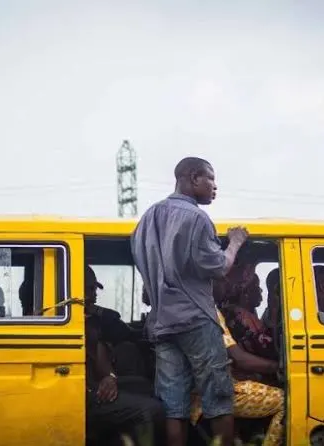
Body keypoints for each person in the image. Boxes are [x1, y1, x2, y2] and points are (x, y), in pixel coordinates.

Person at [131, 157, 249, 446]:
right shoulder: (196, 218)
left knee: (174, 405)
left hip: (162, 325)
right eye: (210, 178)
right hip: (196, 320)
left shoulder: (146, 219)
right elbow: (219, 266)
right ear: (194, 177)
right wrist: (235, 242)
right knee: (219, 398)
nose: (214, 186)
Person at [84, 267, 165, 445]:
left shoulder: (93, 319)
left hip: (96, 383)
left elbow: (103, 345)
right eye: (90, 289)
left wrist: (110, 377)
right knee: (154, 410)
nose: (95, 294)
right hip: (83, 392)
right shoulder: (74, 322)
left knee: (147, 388)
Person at [190, 308, 285, 446]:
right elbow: (238, 357)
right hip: (213, 393)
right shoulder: (209, 310)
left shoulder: (187, 307)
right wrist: (279, 366)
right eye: (223, 284)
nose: (228, 286)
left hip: (196, 389)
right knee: (285, 400)